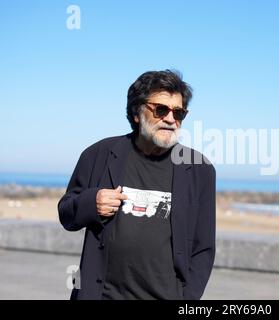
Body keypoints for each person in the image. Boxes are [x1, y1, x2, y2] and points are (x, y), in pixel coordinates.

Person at [58, 70, 216, 300]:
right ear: (136, 112)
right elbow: (66, 215)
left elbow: (203, 248)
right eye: (161, 110)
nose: (171, 119)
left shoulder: (199, 169)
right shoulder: (99, 155)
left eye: (179, 113)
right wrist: (91, 202)